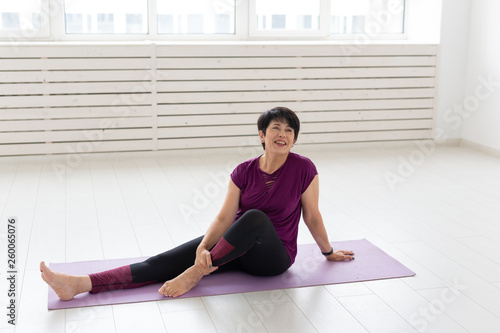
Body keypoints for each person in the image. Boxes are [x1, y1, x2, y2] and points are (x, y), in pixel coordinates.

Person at [40, 106, 354, 300]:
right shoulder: (243, 171)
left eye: (289, 130)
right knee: (160, 262)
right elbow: (224, 218)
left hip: (274, 258)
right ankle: (81, 284)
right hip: (234, 248)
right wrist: (204, 247)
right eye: (276, 128)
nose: (283, 134)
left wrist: (327, 252)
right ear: (262, 135)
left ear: (295, 139)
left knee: (256, 217)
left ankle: (195, 274)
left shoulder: (304, 169)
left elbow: (312, 216)